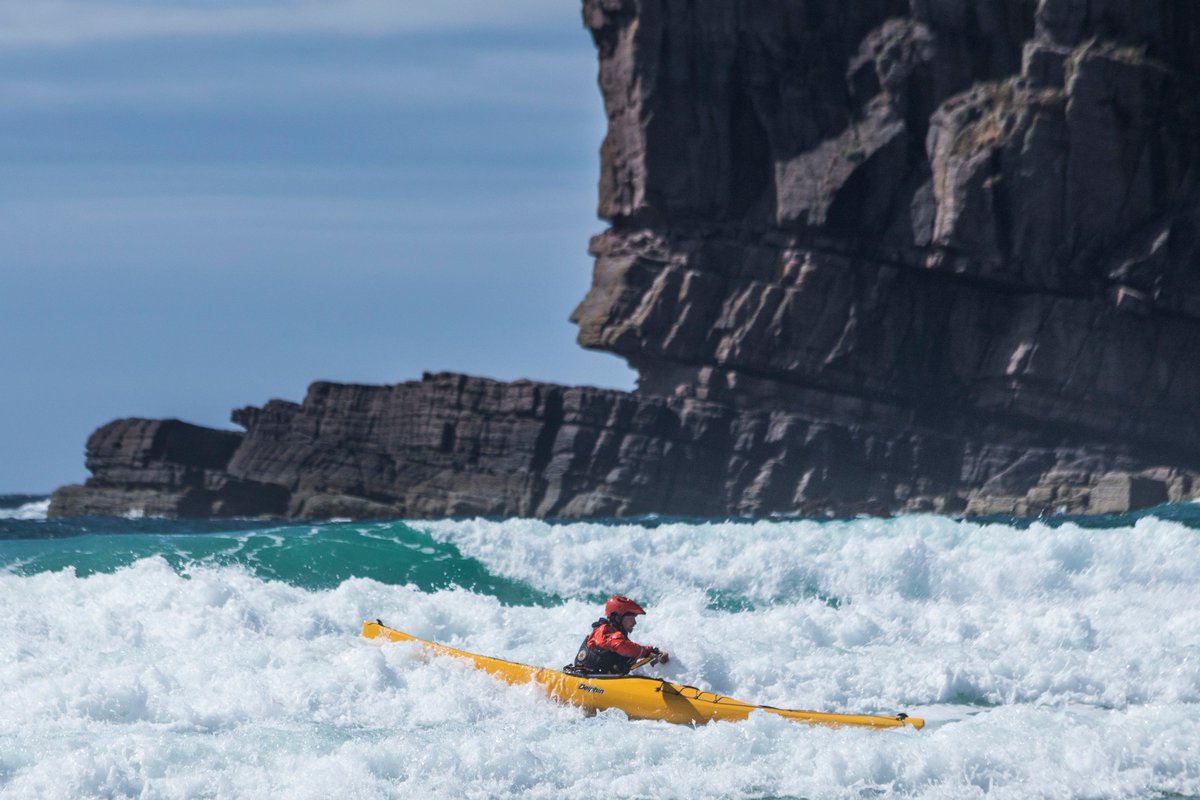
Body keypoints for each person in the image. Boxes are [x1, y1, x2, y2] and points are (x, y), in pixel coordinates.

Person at [570, 595, 670, 675]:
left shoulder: (616, 635)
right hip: (587, 682)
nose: (634, 623)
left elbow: (630, 649)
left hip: (602, 681)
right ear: (618, 618)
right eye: (631, 618)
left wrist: (655, 654)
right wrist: (647, 651)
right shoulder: (604, 631)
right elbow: (623, 646)